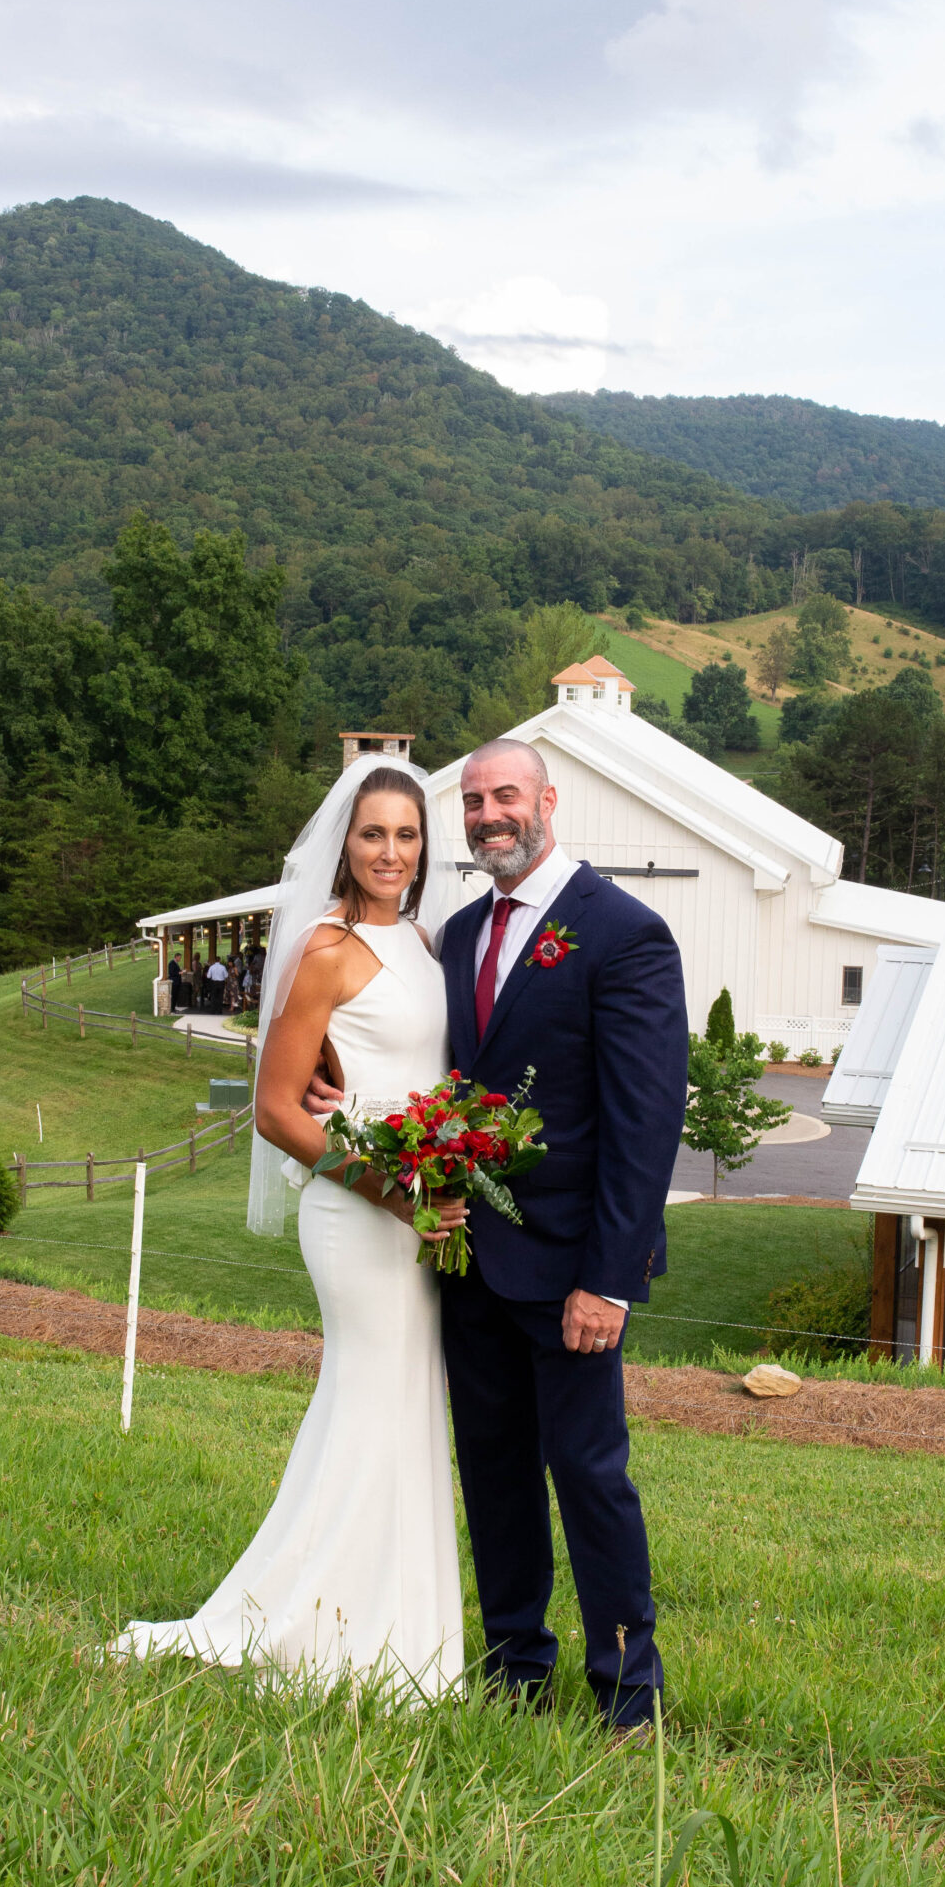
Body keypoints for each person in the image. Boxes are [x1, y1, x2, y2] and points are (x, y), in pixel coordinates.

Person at [307, 738, 688, 1735]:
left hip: (571, 1273)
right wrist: (344, 1096)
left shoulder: (624, 933)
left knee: (590, 1477)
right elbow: (431, 1069)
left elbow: (645, 1124)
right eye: (473, 802)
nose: (488, 816)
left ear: (547, 802)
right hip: (467, 1259)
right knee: (495, 1476)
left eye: (505, 795)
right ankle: (517, 1667)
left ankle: (627, 1695)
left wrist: (609, 1278)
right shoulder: (460, 932)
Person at [112, 761, 469, 1699]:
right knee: (369, 1401)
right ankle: (320, 1629)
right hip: (360, 1212)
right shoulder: (325, 950)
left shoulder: (422, 943)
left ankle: (396, 1630)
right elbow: (277, 1111)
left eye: (406, 835)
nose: (390, 853)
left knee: (404, 1408)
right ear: (343, 845)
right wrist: (390, 1192)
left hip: (420, 1205)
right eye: (372, 834)